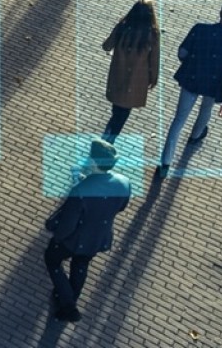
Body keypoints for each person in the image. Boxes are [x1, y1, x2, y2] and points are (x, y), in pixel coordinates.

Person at [156, 1, 222, 179]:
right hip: (214, 86)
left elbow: (182, 53)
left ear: (220, 12)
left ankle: (165, 162)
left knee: (179, 120)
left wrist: (192, 64)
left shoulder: (200, 29)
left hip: (192, 79)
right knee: (206, 108)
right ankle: (196, 135)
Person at [44, 138, 131, 323]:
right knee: (81, 265)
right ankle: (70, 298)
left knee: (52, 260)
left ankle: (68, 305)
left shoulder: (82, 190)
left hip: (75, 238)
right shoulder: (124, 183)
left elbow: (68, 224)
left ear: (93, 162)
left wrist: (57, 237)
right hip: (98, 237)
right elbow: (121, 206)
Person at [101, 0, 160, 142]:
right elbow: (154, 59)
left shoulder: (123, 26)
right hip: (136, 81)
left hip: (118, 75)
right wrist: (153, 78)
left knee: (116, 111)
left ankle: (107, 136)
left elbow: (107, 46)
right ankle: (108, 140)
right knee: (123, 113)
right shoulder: (152, 33)